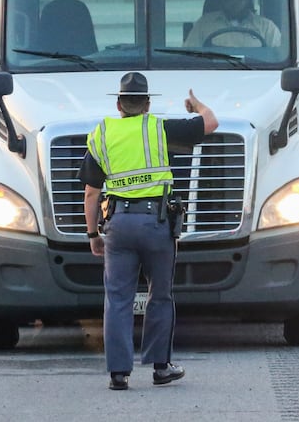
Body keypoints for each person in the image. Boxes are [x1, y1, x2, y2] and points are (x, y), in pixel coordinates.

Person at [79, 72, 218, 391]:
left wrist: (92, 235)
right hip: (156, 225)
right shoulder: (159, 129)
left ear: (118, 104)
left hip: (118, 226)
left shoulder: (102, 133)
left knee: (117, 297)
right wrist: (195, 104)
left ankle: (118, 373)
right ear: (147, 104)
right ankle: (160, 367)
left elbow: (90, 192)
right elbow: (210, 122)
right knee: (160, 294)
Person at [184, 0, 281, 48]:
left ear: (248, 0)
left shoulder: (267, 27)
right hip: (212, 74)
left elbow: (278, 55)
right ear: (222, 1)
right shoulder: (204, 24)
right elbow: (188, 55)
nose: (234, 3)